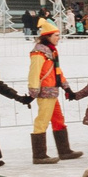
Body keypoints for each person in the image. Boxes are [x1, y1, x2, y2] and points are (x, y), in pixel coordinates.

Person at [24, 21, 76, 164]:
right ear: (47, 36)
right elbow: (34, 73)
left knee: (58, 120)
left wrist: (67, 88)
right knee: (42, 121)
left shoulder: (51, 51)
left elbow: (57, 72)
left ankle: (64, 151)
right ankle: (39, 155)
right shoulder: (39, 53)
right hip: (45, 92)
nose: (59, 38)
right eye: (56, 35)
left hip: (52, 91)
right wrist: (33, 92)